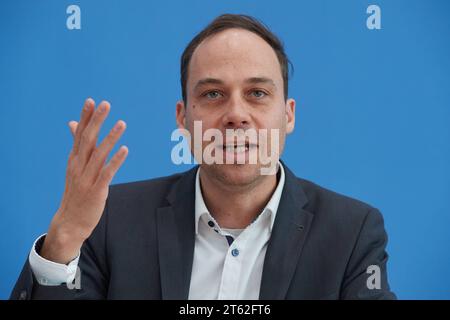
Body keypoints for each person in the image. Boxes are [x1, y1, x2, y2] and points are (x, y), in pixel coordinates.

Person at [10, 14, 396, 300]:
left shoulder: (352, 232)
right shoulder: (108, 220)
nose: (236, 115)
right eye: (213, 94)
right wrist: (63, 241)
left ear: (288, 114)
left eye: (257, 93)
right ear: (183, 117)